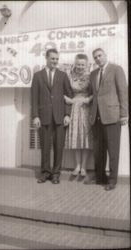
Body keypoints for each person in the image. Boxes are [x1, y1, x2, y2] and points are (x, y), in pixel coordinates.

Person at [31, 48, 73, 184]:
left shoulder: (63, 75)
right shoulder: (37, 76)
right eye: (52, 58)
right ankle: (45, 173)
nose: (55, 61)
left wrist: (67, 114)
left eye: (56, 59)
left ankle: (56, 174)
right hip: (43, 117)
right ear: (46, 58)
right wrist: (35, 116)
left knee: (58, 146)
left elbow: (69, 96)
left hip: (60, 117)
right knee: (45, 146)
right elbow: (34, 98)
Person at [89, 48, 128, 191]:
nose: (98, 59)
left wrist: (124, 114)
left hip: (112, 116)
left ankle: (112, 180)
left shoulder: (116, 69)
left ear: (105, 55)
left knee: (113, 150)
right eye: (95, 57)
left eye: (100, 56)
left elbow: (123, 92)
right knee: (98, 150)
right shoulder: (93, 74)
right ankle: (100, 177)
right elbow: (93, 95)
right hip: (96, 118)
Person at [64, 54, 93, 182]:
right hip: (74, 108)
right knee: (76, 137)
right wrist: (67, 99)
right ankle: (77, 166)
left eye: (82, 64)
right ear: (75, 64)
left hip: (86, 108)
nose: (80, 66)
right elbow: (64, 91)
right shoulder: (70, 75)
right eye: (78, 64)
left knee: (85, 137)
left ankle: (84, 167)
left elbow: (95, 92)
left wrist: (88, 99)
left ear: (86, 65)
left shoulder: (91, 76)